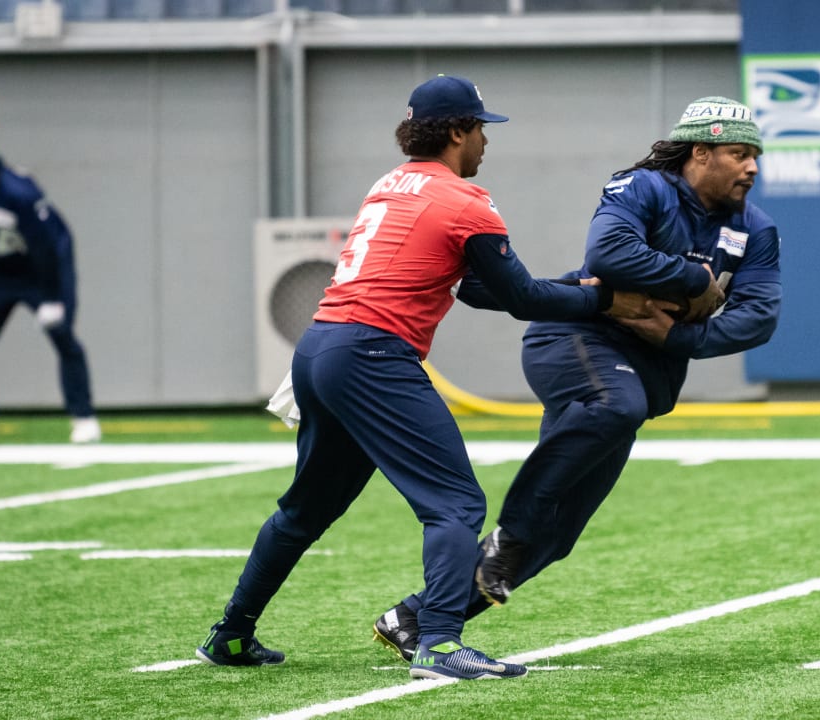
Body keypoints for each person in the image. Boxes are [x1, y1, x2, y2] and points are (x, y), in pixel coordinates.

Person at [197, 75, 649, 680]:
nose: (486, 140)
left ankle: (230, 633)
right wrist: (603, 301)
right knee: (457, 504)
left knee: (305, 510)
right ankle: (438, 642)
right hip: (373, 356)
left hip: (320, 346)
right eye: (481, 127)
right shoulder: (469, 201)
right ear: (458, 130)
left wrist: (569, 291)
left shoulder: (389, 185)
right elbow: (516, 297)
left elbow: (478, 289)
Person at [372, 96, 781, 660]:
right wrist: (693, 278)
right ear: (700, 152)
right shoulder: (642, 188)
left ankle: (413, 617)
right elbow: (609, 255)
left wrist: (677, 338)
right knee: (616, 408)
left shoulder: (755, 228)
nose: (753, 168)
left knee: (557, 536)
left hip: (646, 364)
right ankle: (512, 526)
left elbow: (760, 315)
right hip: (577, 339)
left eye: (756, 155)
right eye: (740, 154)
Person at [0, 122, 101, 444]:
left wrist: (52, 296)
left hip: (43, 269)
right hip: (1, 270)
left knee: (61, 334)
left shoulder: (16, 191)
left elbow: (47, 245)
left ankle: (84, 417)